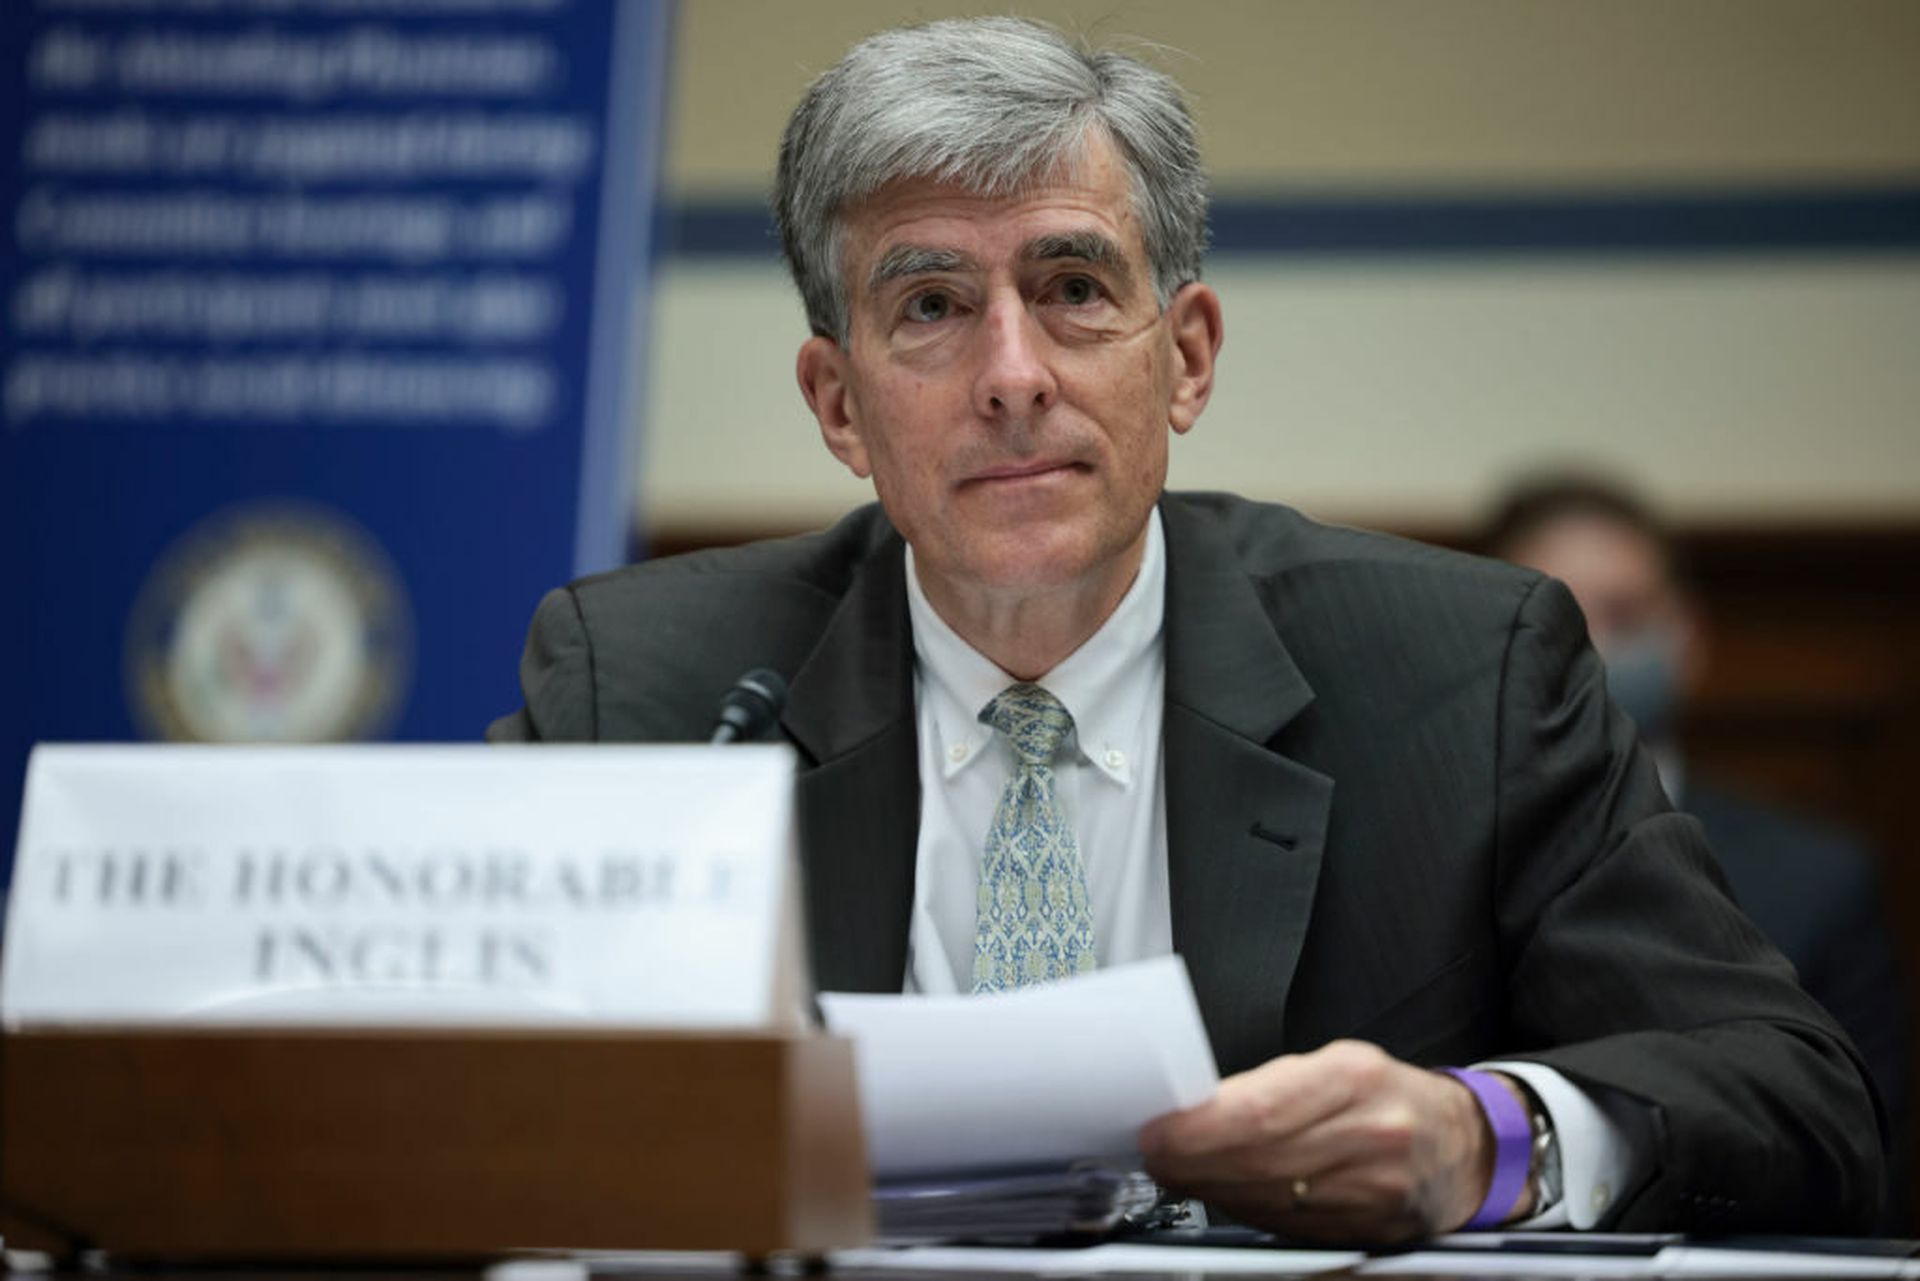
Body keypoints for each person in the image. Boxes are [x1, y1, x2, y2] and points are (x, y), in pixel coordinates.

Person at [491, 18, 1883, 1243]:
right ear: (839, 404)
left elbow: (1797, 1094)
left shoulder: (1464, 676)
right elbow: (442, 1095)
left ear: (1189, 358)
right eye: (931, 306)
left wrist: (1484, 1138)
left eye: (1075, 289)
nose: (1013, 377)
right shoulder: (652, 687)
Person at [1483, 472, 1910, 1232]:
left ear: (1687, 636)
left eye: (1623, 613)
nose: (1593, 645)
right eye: (1554, 614)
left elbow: (1864, 1143)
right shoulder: (1437, 860)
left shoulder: (1820, 876)